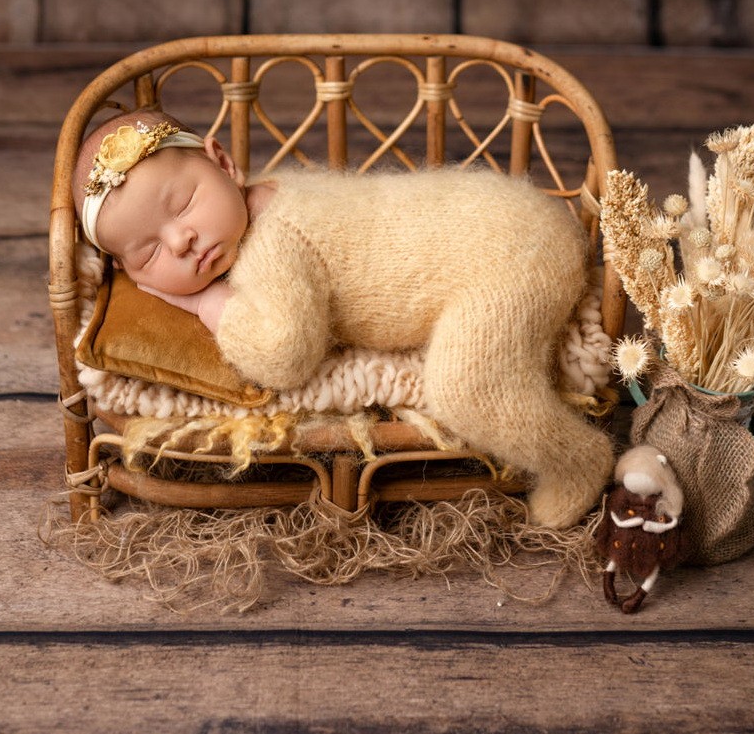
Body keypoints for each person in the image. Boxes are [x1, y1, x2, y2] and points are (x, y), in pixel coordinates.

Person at [73, 108, 613, 529]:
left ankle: (578, 458)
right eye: (148, 254)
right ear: (125, 269)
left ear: (224, 163)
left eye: (185, 202)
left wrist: (206, 304)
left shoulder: (273, 244)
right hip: (511, 216)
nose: (181, 240)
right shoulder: (264, 195)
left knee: (465, 387)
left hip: (510, 254)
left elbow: (283, 356)